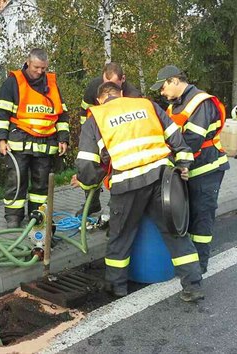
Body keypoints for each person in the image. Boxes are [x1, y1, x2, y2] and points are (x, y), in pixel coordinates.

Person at [72, 81, 204, 302]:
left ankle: (117, 287)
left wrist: (88, 183)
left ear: (100, 99)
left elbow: (86, 163)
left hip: (127, 184)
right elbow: (176, 137)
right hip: (161, 178)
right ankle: (193, 285)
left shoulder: (97, 115)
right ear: (121, 94)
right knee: (174, 231)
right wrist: (183, 164)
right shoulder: (146, 105)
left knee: (120, 236)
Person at [150, 65, 229, 275]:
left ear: (175, 80)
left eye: (163, 87)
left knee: (202, 220)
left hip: (206, 169)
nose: (161, 92)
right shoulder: (173, 106)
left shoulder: (200, 102)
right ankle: (191, 263)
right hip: (188, 170)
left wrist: (176, 161)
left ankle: (200, 266)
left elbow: (192, 140)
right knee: (189, 217)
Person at [0, 48, 70, 228]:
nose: (40, 72)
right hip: (19, 141)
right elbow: (2, 113)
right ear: (28, 62)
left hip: (45, 144)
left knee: (41, 186)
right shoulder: (13, 82)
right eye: (36, 67)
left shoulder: (51, 83)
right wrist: (1, 139)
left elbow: (62, 114)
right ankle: (13, 217)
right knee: (16, 181)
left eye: (43, 68)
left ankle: (38, 215)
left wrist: (63, 138)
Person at [76, 62, 142, 216]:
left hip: (121, 139)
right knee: (91, 165)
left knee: (118, 173)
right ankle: (92, 203)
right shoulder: (94, 87)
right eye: (106, 83)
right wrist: (86, 135)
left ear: (123, 79)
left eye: (113, 85)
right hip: (96, 134)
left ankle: (115, 212)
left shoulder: (133, 95)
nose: (108, 90)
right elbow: (84, 111)